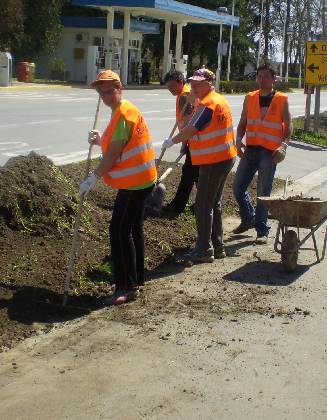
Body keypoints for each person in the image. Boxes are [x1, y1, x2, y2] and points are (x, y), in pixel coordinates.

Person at [80, 70, 157, 305]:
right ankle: (138, 280)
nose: (106, 95)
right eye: (102, 93)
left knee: (119, 230)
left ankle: (126, 286)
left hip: (134, 182)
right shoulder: (123, 111)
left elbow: (114, 152)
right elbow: (117, 142)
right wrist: (99, 140)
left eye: (110, 90)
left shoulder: (123, 113)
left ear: (119, 88)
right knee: (133, 228)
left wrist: (94, 177)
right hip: (142, 178)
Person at [161, 68, 236, 263]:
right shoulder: (219, 100)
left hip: (213, 160)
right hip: (225, 157)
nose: (194, 86)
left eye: (199, 83)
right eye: (192, 82)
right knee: (214, 202)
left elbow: (190, 129)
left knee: (203, 205)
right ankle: (217, 245)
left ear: (209, 84)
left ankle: (204, 249)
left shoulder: (207, 105)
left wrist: (173, 141)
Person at [231, 64, 292, 241]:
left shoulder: (281, 99)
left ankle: (262, 230)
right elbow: (243, 121)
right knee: (238, 186)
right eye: (259, 76)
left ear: (274, 78)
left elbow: (288, 125)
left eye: (266, 76)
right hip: (251, 148)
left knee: (263, 192)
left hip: (270, 151)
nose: (262, 79)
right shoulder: (250, 98)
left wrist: (284, 145)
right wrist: (238, 139)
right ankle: (249, 218)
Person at [159, 69, 198, 216]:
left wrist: (182, 142)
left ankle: (177, 206)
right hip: (192, 140)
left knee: (188, 174)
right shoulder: (184, 94)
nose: (170, 89)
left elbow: (188, 122)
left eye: (173, 86)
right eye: (168, 86)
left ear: (181, 82)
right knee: (197, 175)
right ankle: (203, 203)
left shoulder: (185, 96)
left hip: (193, 140)